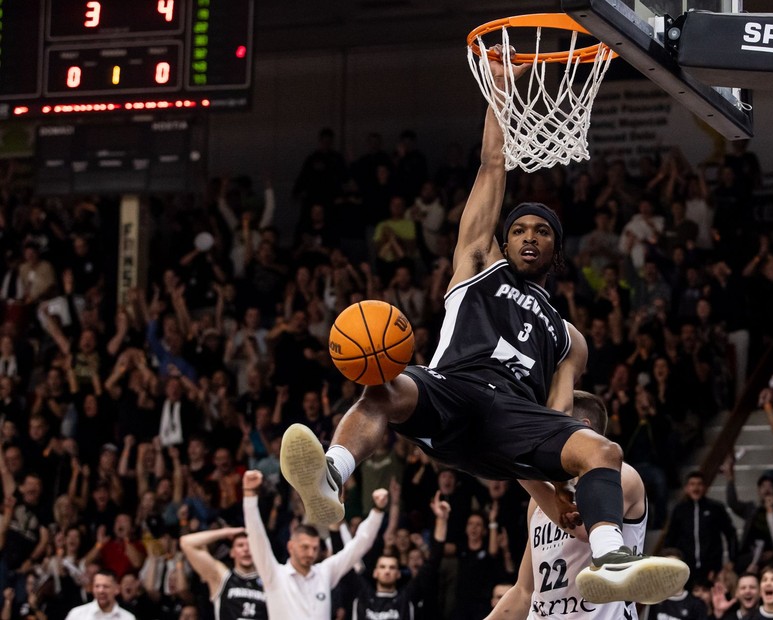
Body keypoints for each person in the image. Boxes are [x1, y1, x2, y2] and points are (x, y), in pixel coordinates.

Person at [278, 51, 687, 605]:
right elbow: (492, 164)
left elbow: (556, 417)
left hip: (512, 421)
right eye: (518, 228)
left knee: (603, 451)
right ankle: (332, 474)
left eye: (541, 231)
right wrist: (499, 93)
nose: (527, 237)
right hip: (455, 388)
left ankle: (613, 559)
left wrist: (547, 492)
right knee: (386, 386)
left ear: (555, 251)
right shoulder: (478, 264)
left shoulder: (570, 338)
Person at [487, 391, 650, 618]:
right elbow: (524, 592)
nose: (543, 438)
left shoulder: (622, 476)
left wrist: (519, 469)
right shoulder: (539, 499)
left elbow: (583, 530)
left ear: (584, 429)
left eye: (551, 429)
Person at [241, 470, 386, 618]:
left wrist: (377, 511)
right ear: (290, 546)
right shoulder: (275, 575)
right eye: (305, 547)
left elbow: (358, 547)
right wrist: (249, 496)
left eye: (315, 548)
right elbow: (256, 538)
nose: (311, 553)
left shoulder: (324, 572)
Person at [345, 490, 449, 620]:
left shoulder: (407, 597)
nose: (387, 571)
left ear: (398, 574)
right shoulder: (362, 594)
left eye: (392, 567)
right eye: (383, 567)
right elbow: (344, 558)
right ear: (375, 572)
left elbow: (433, 561)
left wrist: (441, 519)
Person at [179, 526, 267, 620]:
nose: (246, 549)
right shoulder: (222, 577)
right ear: (232, 552)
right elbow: (186, 542)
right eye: (240, 545)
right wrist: (226, 532)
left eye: (250, 546)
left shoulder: (268, 582)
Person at [65, 569, 136, 620]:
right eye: (97, 586)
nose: (101, 591)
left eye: (106, 586)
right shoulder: (77, 614)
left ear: (117, 589)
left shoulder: (128, 618)